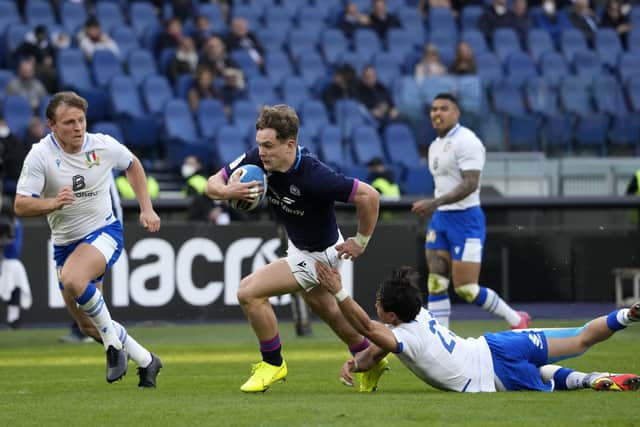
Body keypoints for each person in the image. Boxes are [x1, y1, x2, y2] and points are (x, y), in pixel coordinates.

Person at [204, 104, 383, 393]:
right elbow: (210, 184)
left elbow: (369, 196)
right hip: (300, 246)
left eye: (269, 146)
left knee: (248, 292)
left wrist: (361, 242)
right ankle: (369, 357)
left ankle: (273, 364)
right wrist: (227, 191)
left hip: (318, 255)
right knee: (329, 311)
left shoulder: (314, 175)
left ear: (290, 145)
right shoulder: (257, 159)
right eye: (260, 144)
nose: (262, 152)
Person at [14, 91, 163, 386]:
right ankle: (147, 360)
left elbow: (132, 164)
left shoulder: (102, 145)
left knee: (73, 279)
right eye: (69, 122)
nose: (78, 128)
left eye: (81, 120)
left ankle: (112, 346)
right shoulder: (40, 156)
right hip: (64, 244)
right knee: (87, 325)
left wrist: (146, 208)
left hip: (104, 232)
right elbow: (20, 204)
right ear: (51, 125)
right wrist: (52, 203)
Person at [316, 262, 640, 393]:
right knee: (579, 339)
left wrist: (339, 291)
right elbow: (374, 349)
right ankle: (627, 317)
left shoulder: (403, 338)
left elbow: (367, 330)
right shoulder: (420, 314)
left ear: (390, 315)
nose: (374, 308)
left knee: (546, 379)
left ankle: (588, 380)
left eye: (377, 304)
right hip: (498, 346)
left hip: (495, 378)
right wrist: (356, 364)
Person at [411, 93, 529, 329]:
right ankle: (440, 337)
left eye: (444, 108)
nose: (437, 113)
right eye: (434, 109)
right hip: (441, 218)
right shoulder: (435, 145)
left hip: (466, 219)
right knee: (436, 281)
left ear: (457, 113)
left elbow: (471, 183)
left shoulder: (468, 141)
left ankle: (516, 319)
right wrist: (437, 207)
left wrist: (434, 203)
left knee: (466, 288)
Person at [0, 206, 31, 329]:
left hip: (11, 263)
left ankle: (14, 319)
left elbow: (13, 248)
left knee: (15, 290)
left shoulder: (15, 225)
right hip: (6, 263)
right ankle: (13, 319)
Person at [181, 155, 230, 224]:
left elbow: (212, 195)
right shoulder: (188, 180)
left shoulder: (198, 180)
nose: (187, 166)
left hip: (205, 216)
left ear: (199, 165)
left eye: (191, 164)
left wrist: (218, 208)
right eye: (186, 163)